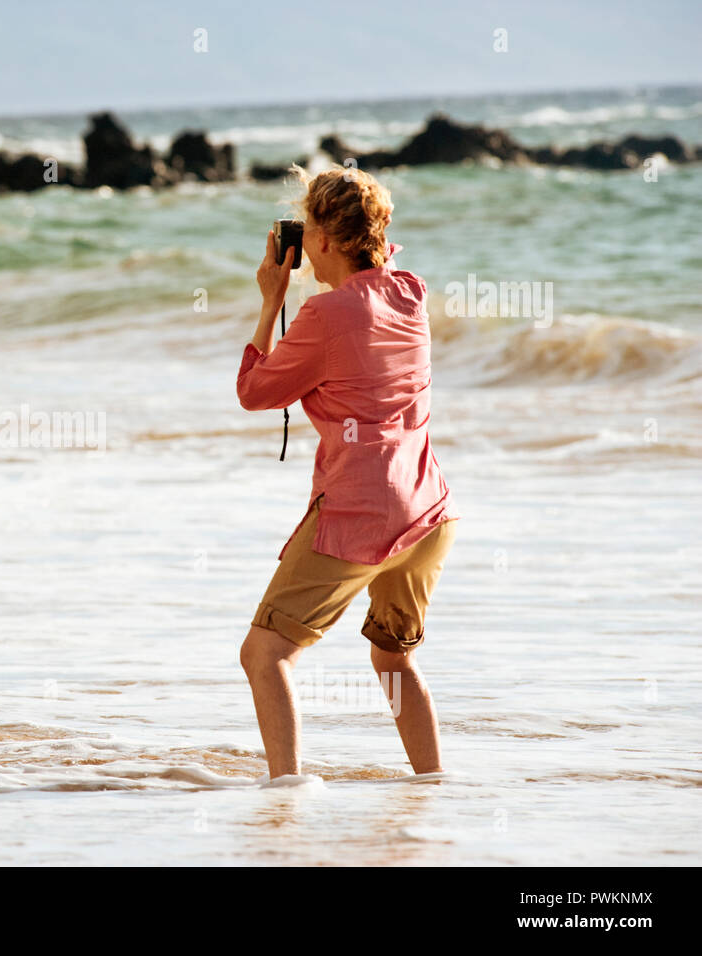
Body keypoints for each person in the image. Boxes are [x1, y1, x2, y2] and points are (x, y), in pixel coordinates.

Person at [236, 166, 460, 780]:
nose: (304, 240)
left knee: (264, 654)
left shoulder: (324, 313)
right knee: (393, 661)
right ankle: (433, 788)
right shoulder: (410, 291)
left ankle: (286, 794)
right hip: (427, 510)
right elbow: (378, 280)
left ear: (325, 240)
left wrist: (271, 303)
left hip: (360, 514)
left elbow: (255, 392)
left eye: (308, 227)